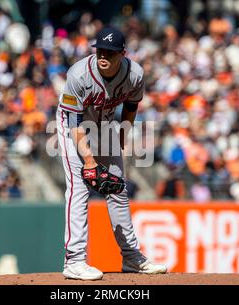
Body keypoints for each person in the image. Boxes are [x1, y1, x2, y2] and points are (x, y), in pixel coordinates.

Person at [56, 26, 167, 280]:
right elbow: (74, 124)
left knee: (117, 187)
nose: (104, 56)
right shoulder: (79, 74)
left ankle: (131, 257)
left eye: (110, 52)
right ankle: (74, 260)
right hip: (72, 125)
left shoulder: (135, 74)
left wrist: (121, 137)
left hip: (104, 124)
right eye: (101, 50)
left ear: (123, 53)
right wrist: (90, 162)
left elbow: (130, 106)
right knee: (79, 187)